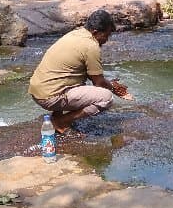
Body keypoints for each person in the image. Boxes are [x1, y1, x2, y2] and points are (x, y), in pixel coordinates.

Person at [28, 9, 131, 139]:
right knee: (106, 98)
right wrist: (114, 87)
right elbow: (98, 83)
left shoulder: (75, 34)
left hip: (37, 90)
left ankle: (57, 115)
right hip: (50, 97)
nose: (106, 40)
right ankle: (61, 122)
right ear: (95, 32)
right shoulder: (91, 46)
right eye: (106, 35)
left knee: (77, 78)